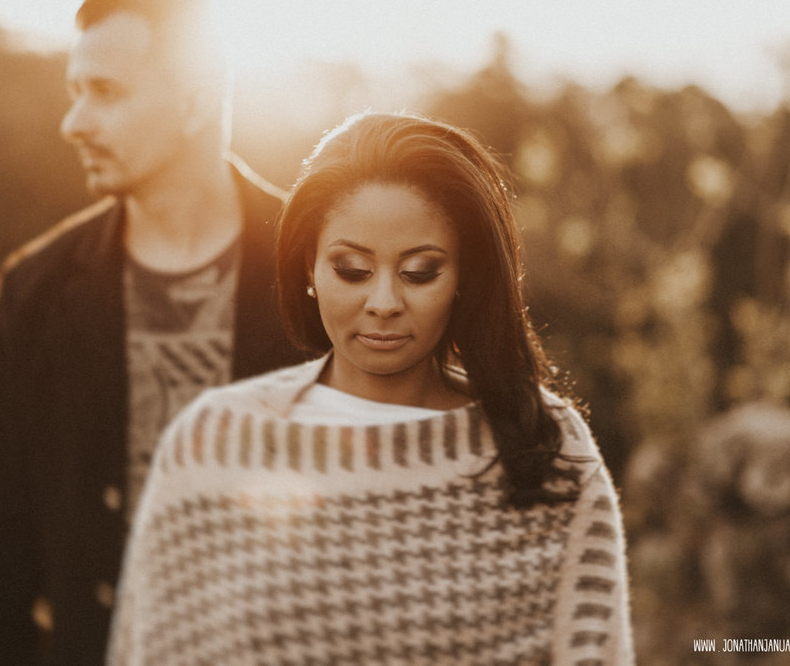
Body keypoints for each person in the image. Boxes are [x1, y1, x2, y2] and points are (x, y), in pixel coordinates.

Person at [109, 112, 635, 665]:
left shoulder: (545, 447)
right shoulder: (212, 442)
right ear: (308, 267)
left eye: (420, 272)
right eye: (353, 269)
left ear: (466, 276)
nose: (384, 303)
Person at [0, 0, 301, 666]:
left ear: (194, 101)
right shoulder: (35, 290)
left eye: (106, 92)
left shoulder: (321, 265)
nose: (74, 123)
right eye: (75, 92)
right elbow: (0, 557)